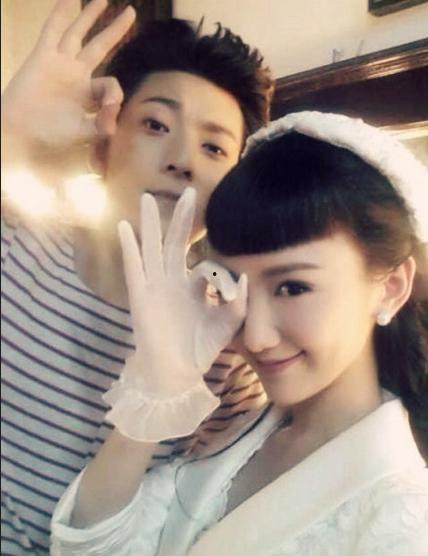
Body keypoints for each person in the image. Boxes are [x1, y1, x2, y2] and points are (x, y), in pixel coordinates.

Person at [50, 111, 428, 555]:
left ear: (391, 287)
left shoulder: (403, 518)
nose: (256, 337)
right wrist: (156, 387)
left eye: (292, 287)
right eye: (233, 287)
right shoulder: (241, 433)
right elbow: (90, 546)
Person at [1, 0, 274, 552]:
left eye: (214, 147)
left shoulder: (225, 354)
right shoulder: (16, 241)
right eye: (155, 124)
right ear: (102, 146)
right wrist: (7, 135)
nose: (182, 160)